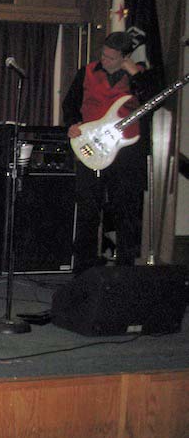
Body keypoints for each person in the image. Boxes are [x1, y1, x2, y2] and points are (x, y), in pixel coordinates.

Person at [62, 31, 161, 275]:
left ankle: (124, 269)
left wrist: (135, 73)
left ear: (126, 57)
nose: (105, 60)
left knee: (126, 209)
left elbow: (153, 101)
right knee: (88, 207)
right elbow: (70, 104)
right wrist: (73, 124)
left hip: (127, 150)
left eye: (112, 58)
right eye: (103, 55)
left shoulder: (141, 75)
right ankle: (84, 267)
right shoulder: (86, 72)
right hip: (92, 146)